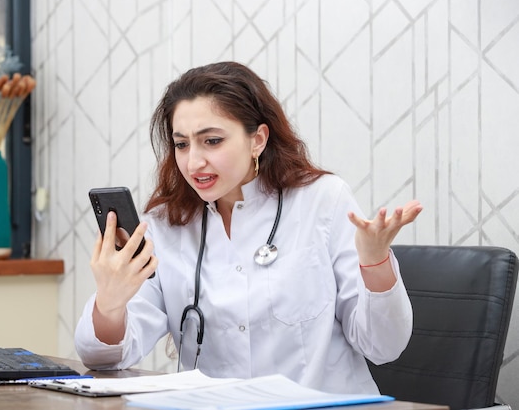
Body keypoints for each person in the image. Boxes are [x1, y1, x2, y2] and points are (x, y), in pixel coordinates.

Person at [75, 61, 423, 394]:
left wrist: (375, 261)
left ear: (257, 139)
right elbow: (102, 358)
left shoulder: (323, 201)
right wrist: (110, 301)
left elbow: (383, 345)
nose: (194, 162)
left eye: (212, 141)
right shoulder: (166, 225)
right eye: (181, 144)